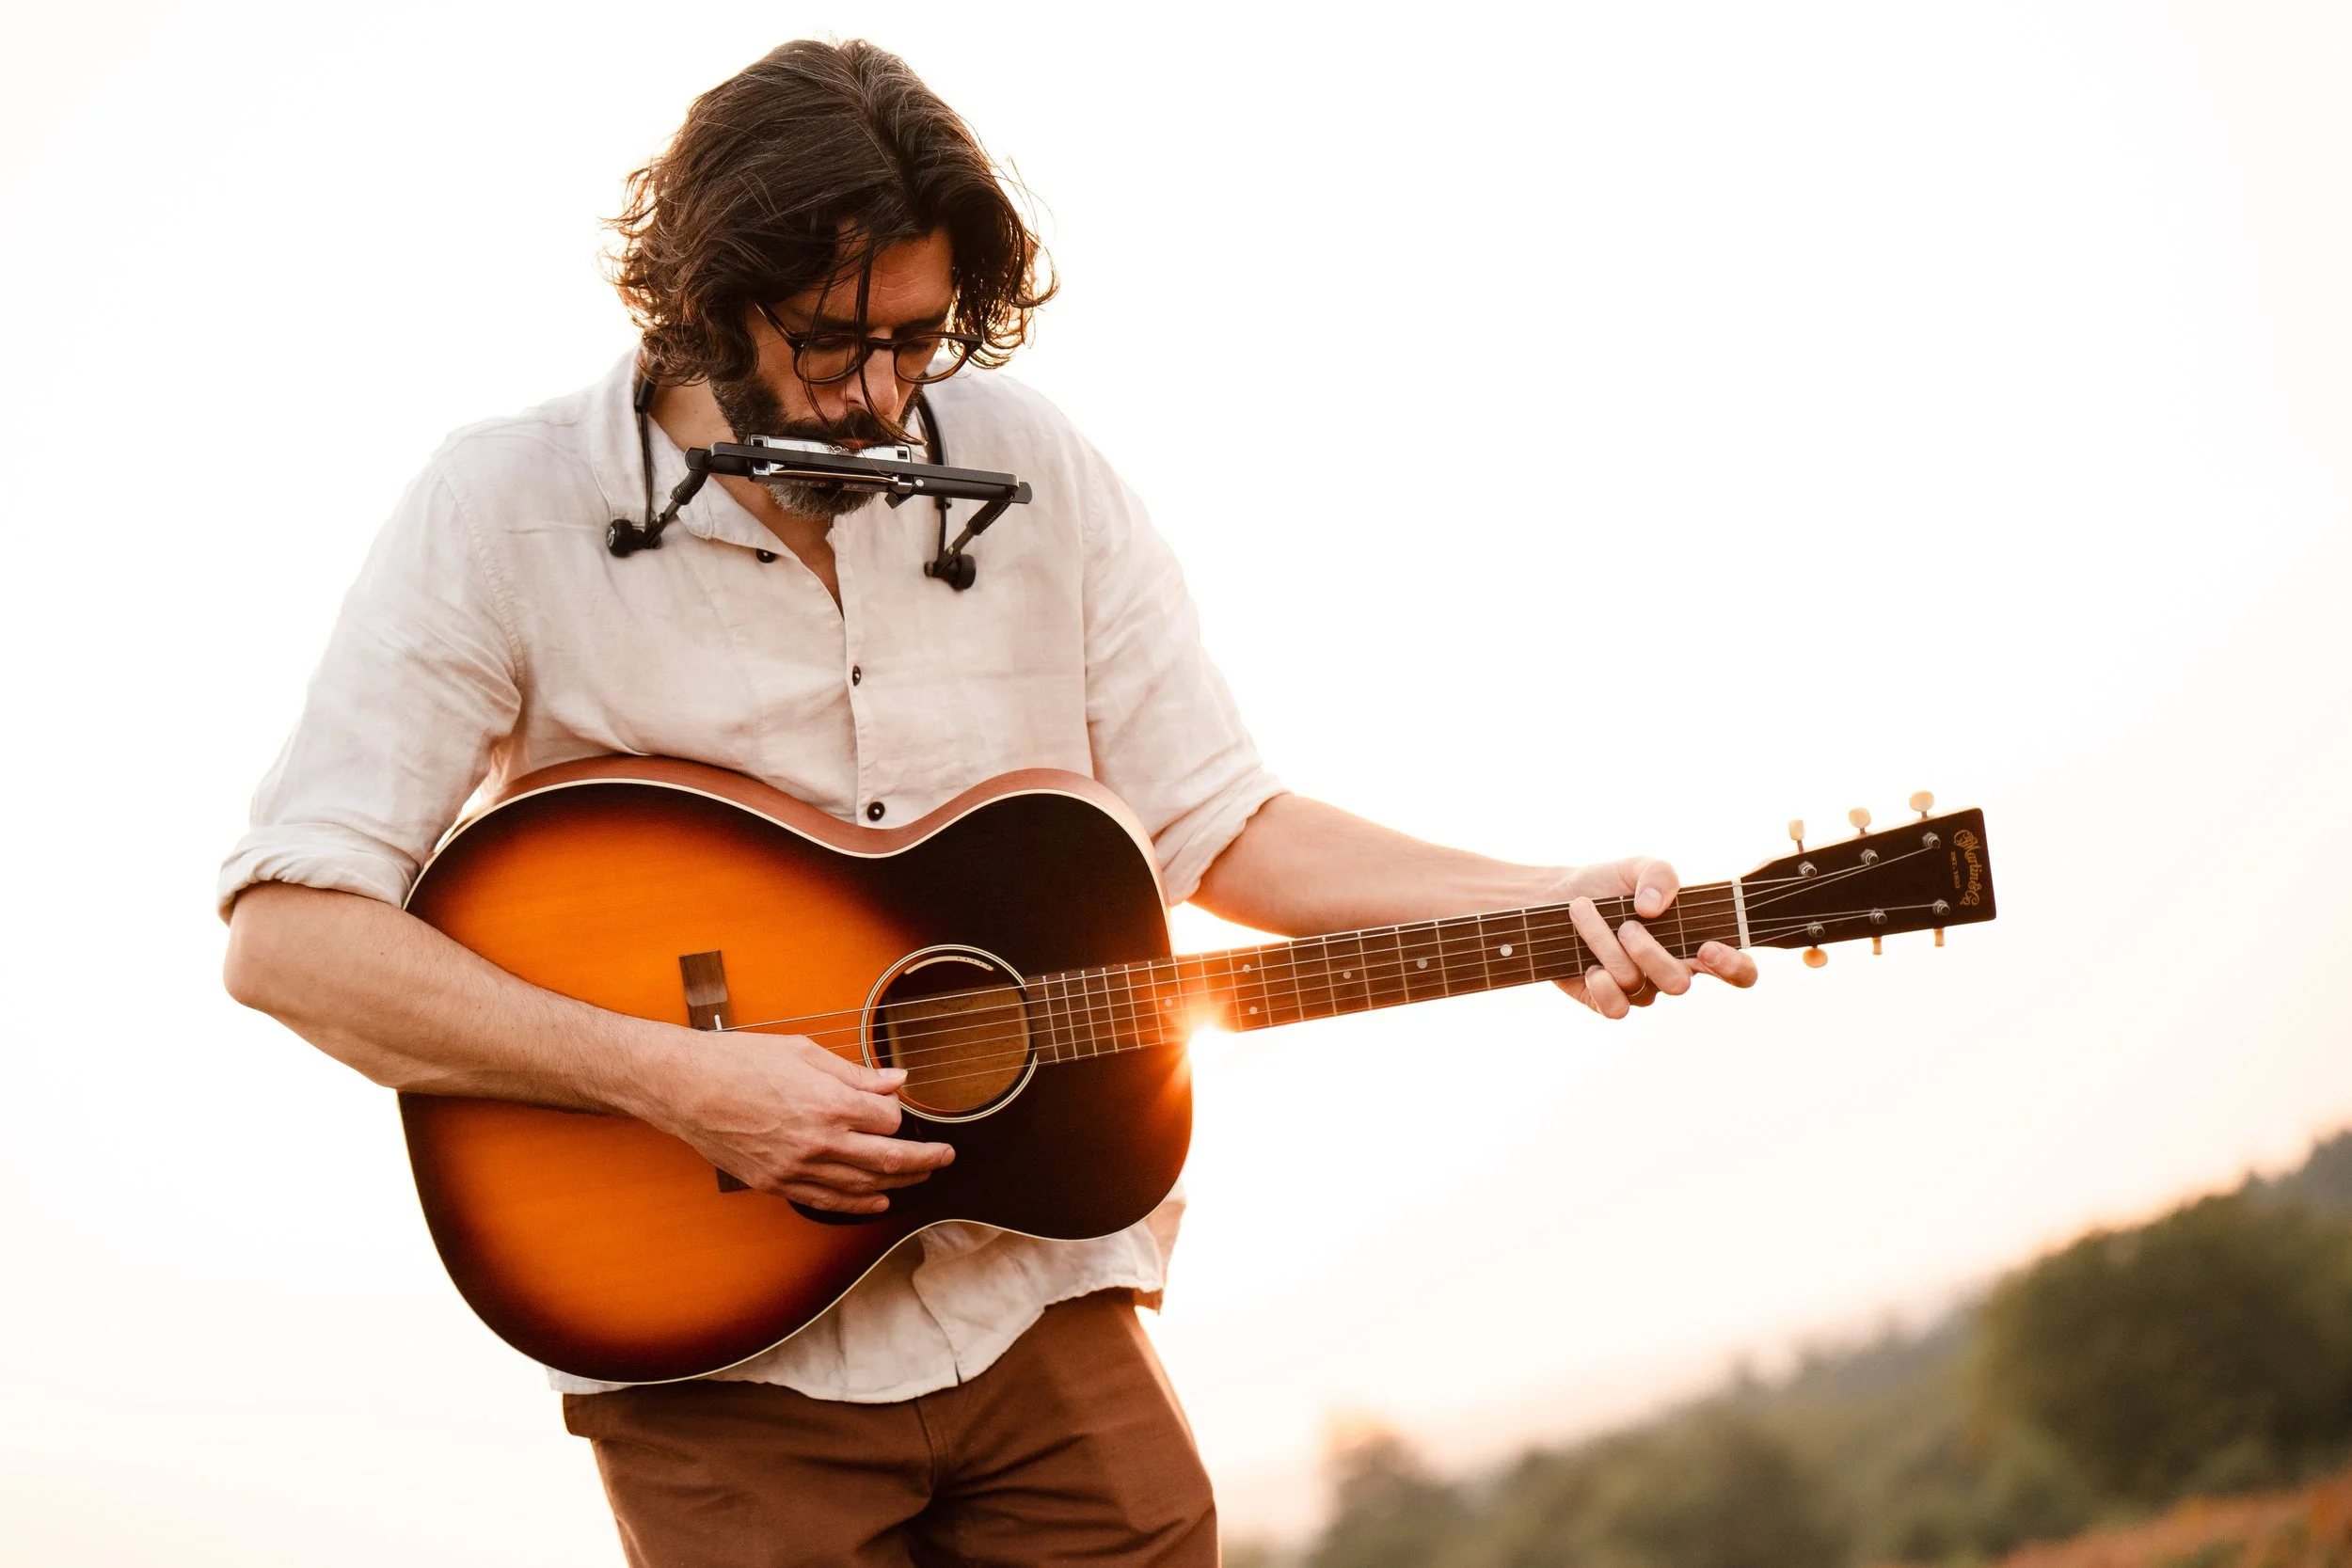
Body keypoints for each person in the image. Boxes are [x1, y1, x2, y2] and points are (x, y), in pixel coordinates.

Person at [218, 38, 1757, 1568]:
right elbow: (291, 936)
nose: (886, 400)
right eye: (835, 345)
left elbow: (1219, 819)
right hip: (719, 1362)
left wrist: (1531, 904)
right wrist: (675, 1081)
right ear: (703, 298)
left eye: (921, 339)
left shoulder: (1033, 465)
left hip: (1036, 1292)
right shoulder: (502, 510)